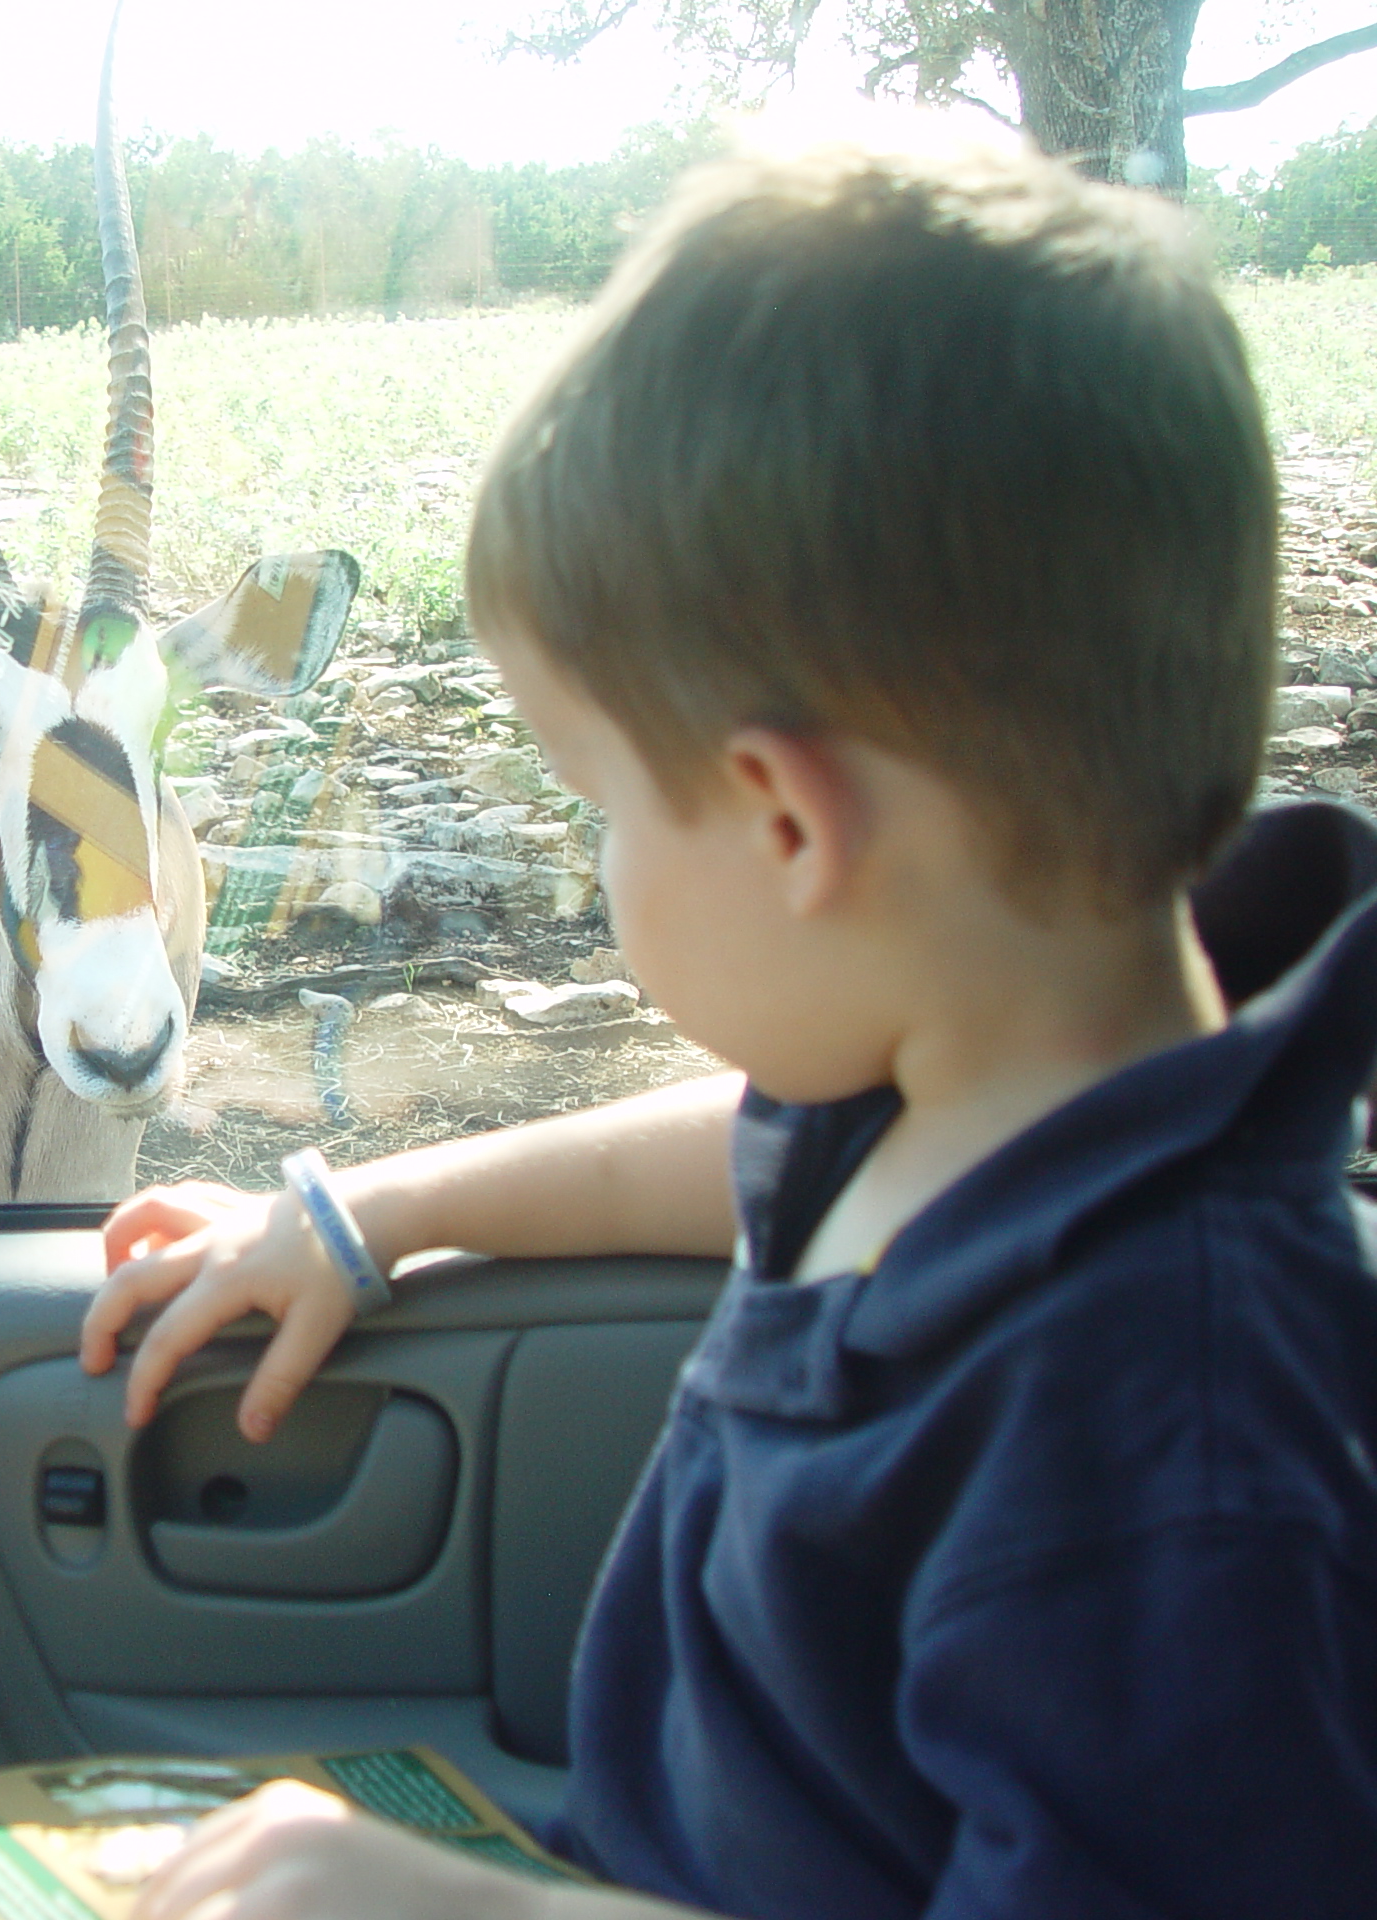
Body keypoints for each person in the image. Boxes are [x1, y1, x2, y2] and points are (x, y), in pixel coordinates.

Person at [80, 115, 1377, 1920]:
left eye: (604, 800)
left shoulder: (1177, 1448)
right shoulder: (966, 1088)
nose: (605, 857)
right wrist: (371, 1212)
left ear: (785, 822)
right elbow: (719, 1159)